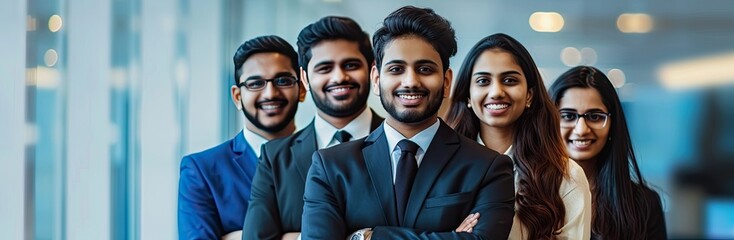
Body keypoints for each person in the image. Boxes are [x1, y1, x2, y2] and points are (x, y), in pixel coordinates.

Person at [301, 6, 515, 240]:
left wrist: (368, 236)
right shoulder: (331, 167)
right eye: (396, 69)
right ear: (376, 79)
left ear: (446, 82)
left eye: (425, 69)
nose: (411, 81)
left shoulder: (488, 168)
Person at [242, 16, 384, 240]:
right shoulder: (274, 158)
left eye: (351, 65)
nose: (339, 77)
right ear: (304, 79)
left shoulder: (401, 145)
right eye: (325, 68)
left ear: (372, 70)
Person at [445, 33, 592, 240]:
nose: (496, 91)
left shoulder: (566, 177)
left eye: (509, 80)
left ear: (529, 95)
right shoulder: (440, 167)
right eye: (483, 81)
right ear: (468, 95)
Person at [178, 35, 306, 239]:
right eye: (256, 83)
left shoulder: (326, 158)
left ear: (301, 90)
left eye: (283, 81)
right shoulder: (201, 170)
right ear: (237, 97)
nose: (270, 93)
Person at [549, 66, 666, 239]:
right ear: (549, 121)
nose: (581, 130)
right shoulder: (527, 195)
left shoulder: (644, 204)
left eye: (595, 116)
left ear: (613, 124)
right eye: (567, 116)